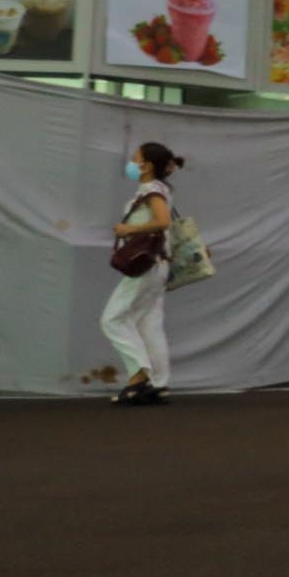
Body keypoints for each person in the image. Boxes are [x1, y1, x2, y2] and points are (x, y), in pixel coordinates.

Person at [103, 141, 184, 406]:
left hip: (147, 264)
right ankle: (159, 384)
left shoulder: (151, 190)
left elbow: (162, 221)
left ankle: (139, 377)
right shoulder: (161, 189)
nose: (131, 161)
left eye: (135, 157)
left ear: (146, 166)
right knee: (149, 324)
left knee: (112, 319)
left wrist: (128, 231)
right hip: (160, 264)